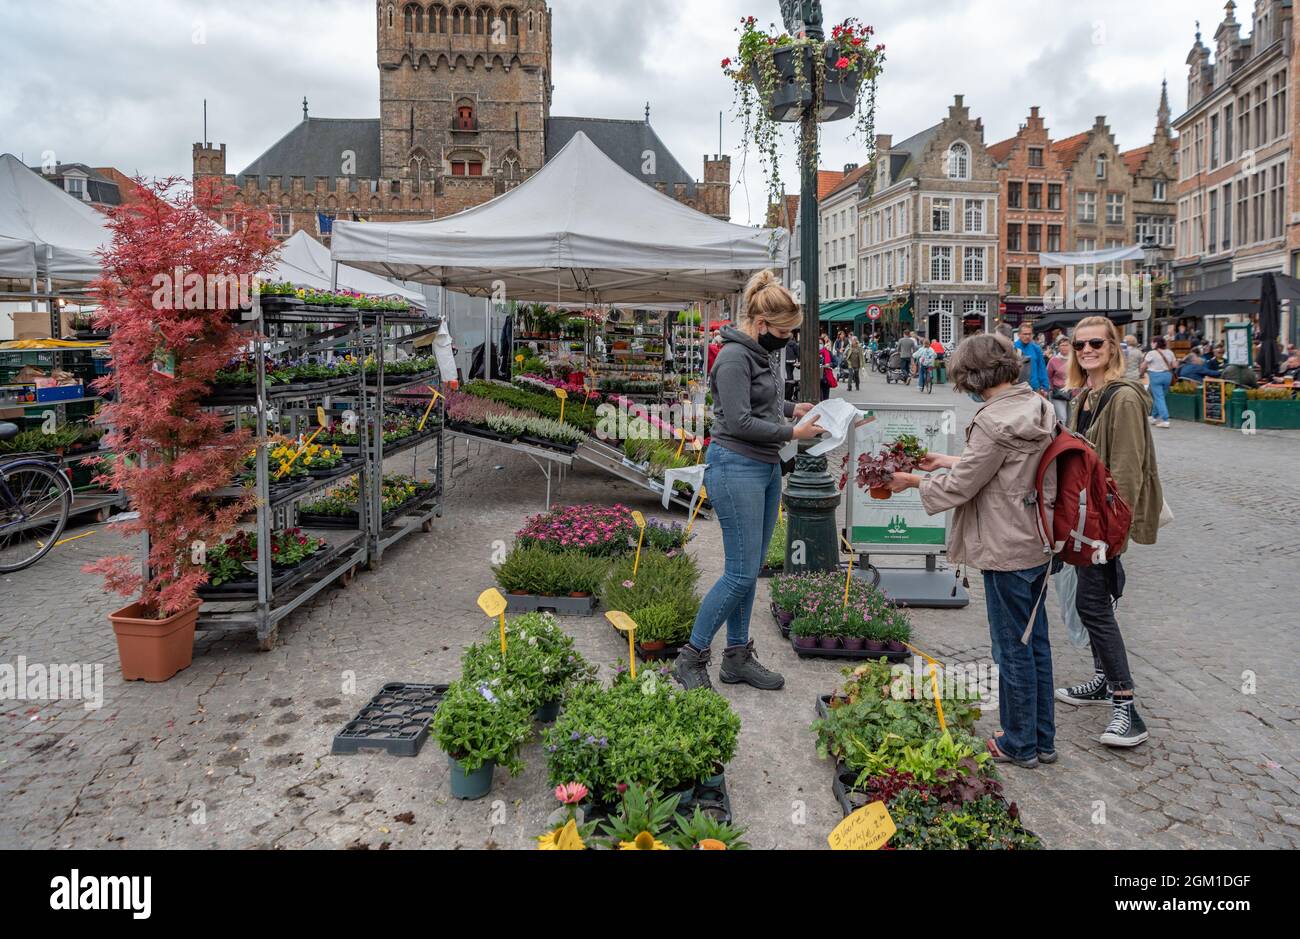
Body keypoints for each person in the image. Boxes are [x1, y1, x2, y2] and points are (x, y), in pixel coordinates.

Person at [887, 334, 1058, 769]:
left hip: (1004, 545)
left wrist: (912, 482)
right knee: (1034, 642)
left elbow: (966, 485)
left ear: (970, 376)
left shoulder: (991, 420)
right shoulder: (1036, 405)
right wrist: (946, 460)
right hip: (1036, 537)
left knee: (1010, 648)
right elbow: (1001, 467)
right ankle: (1042, 738)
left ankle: (1018, 743)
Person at [673, 270, 823, 693]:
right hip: (736, 465)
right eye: (783, 332)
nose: (788, 340)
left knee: (750, 569)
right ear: (760, 325)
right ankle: (691, 656)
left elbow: (763, 404)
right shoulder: (734, 358)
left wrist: (792, 409)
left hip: (764, 467)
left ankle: (737, 655)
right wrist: (793, 434)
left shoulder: (760, 355)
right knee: (739, 574)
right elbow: (738, 420)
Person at [1055, 316, 1164, 749]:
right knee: (1093, 604)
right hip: (1087, 521)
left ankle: (1126, 706)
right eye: (1079, 345)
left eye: (1095, 343)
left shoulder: (1123, 399)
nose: (1086, 350)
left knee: (1094, 605)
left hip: (1103, 523)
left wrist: (1111, 535)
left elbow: (1128, 468)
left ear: (1114, 346)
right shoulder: (1086, 395)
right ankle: (1103, 681)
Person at [1141, 336, 1177, 428]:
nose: (1151, 344)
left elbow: (1143, 365)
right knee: (1161, 397)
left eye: (1152, 342)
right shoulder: (1170, 352)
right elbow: (1174, 365)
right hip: (1168, 376)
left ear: (1156, 343)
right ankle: (1153, 416)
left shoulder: (1151, 353)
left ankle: (1165, 420)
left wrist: (1141, 373)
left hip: (1156, 376)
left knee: (1159, 398)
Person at [1015, 321, 1049, 395]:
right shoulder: (1013, 348)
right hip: (1017, 388)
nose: (1027, 336)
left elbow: (1042, 368)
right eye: (1025, 334)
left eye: (1029, 334)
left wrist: (1044, 387)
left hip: (1034, 388)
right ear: (1019, 335)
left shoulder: (1036, 348)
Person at [1047, 337, 1074, 423]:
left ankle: (1071, 436)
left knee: (1072, 418)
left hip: (1074, 391)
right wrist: (1050, 389)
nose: (1064, 347)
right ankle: (1062, 435)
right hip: (1059, 392)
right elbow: (1048, 376)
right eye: (1062, 345)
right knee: (1062, 418)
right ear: (1058, 347)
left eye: (1066, 345)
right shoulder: (1053, 361)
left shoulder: (1075, 360)